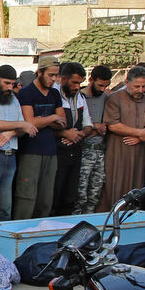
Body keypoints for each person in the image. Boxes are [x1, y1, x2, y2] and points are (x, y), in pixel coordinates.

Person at [13, 57, 66, 220]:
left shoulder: (55, 93)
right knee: (27, 196)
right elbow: (29, 122)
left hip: (50, 149)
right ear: (40, 72)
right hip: (30, 150)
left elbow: (63, 121)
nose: (54, 79)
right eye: (51, 75)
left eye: (56, 76)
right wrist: (51, 118)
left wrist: (45, 121)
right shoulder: (26, 93)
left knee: (46, 197)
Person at [0, 65, 33, 222]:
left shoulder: (14, 100)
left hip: (10, 156)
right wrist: (20, 126)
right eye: (7, 83)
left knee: (4, 207)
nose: (10, 87)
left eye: (12, 84)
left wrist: (12, 132)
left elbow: (24, 128)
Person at [100, 66, 145, 211]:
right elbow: (113, 125)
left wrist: (143, 136)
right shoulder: (115, 98)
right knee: (116, 184)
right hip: (119, 149)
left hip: (139, 149)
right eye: (137, 86)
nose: (141, 90)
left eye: (144, 86)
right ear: (127, 82)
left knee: (136, 184)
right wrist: (139, 133)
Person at [52, 62, 94, 217]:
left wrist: (78, 134)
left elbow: (88, 125)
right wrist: (64, 134)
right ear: (63, 79)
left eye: (79, 83)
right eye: (74, 82)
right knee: (54, 196)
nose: (77, 87)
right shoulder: (53, 95)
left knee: (70, 197)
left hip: (75, 151)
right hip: (56, 153)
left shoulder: (80, 98)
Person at [74, 66, 112, 214]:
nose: (102, 89)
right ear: (91, 80)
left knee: (94, 194)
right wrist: (95, 127)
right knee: (80, 194)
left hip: (100, 151)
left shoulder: (106, 97)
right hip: (84, 150)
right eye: (100, 85)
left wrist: (99, 127)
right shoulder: (80, 97)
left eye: (105, 86)